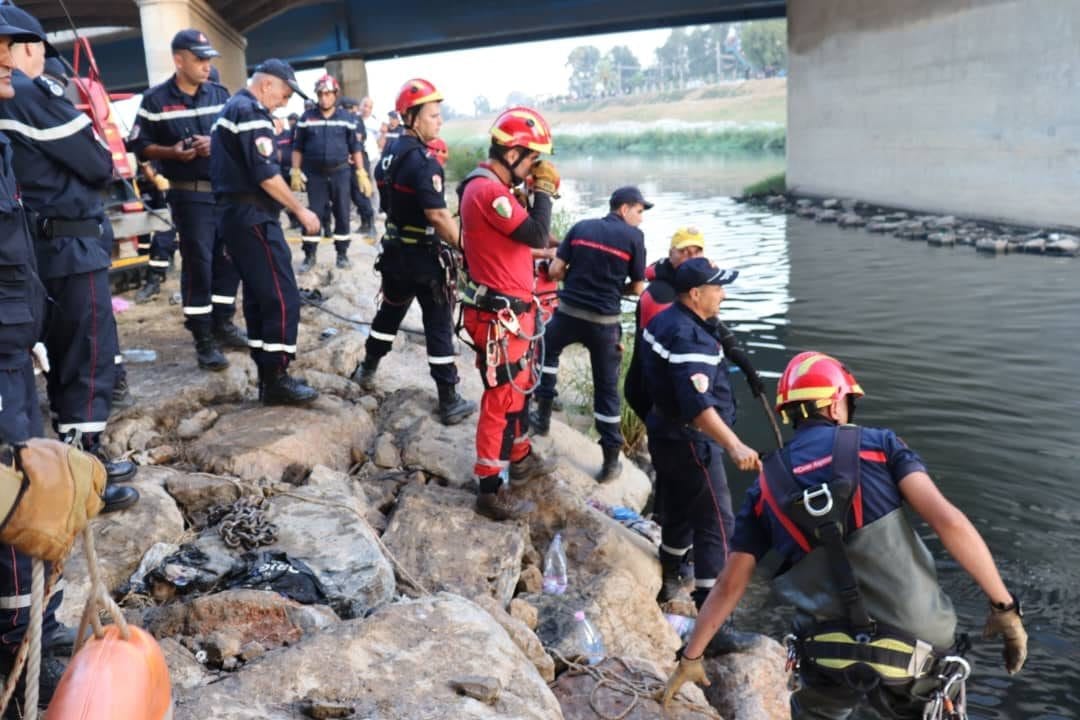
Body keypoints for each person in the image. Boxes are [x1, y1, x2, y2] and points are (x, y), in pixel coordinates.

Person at [659, 351, 1028, 719]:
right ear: (836, 405)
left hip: (827, 652)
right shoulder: (880, 447)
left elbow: (729, 585)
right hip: (916, 653)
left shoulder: (764, 487)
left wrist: (692, 656)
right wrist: (1004, 609)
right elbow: (949, 523)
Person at [0, 4, 139, 512]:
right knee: (85, 355)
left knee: (35, 359)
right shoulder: (35, 94)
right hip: (69, 247)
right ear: (32, 48)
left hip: (27, 250)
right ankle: (85, 470)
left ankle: (64, 468)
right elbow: (97, 163)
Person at [0, 12, 95, 712]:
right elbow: (90, 161)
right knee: (12, 491)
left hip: (10, 344)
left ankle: (33, 627)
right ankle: (23, 638)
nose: (15, 59)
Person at [641, 257, 760, 635]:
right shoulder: (692, 339)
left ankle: (672, 571)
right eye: (717, 288)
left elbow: (638, 383)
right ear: (696, 293)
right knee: (717, 524)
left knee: (677, 503)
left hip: (662, 432)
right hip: (692, 440)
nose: (722, 295)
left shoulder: (663, 319)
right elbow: (698, 407)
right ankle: (717, 623)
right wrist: (735, 445)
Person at [457, 105, 560, 521]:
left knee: (518, 389)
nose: (535, 167)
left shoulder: (497, 190)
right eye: (533, 158)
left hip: (512, 313)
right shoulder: (488, 193)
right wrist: (545, 194)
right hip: (500, 317)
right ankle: (489, 487)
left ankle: (518, 457)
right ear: (514, 153)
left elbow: (531, 238)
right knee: (502, 396)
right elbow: (534, 231)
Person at [351, 79, 474, 425]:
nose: (440, 121)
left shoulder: (389, 153)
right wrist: (466, 247)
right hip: (423, 256)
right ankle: (449, 400)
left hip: (394, 252)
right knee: (437, 323)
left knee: (389, 314)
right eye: (434, 115)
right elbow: (436, 214)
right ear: (413, 117)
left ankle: (367, 368)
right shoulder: (424, 161)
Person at [129, 29, 246, 371]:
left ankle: (223, 323)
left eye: (209, 59)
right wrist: (171, 153)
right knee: (198, 264)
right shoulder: (154, 100)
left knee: (229, 259)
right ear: (179, 60)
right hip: (189, 195)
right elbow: (139, 145)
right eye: (199, 59)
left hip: (225, 194)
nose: (206, 65)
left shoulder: (221, 95)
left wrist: (216, 144)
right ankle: (203, 337)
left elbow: (236, 137)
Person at [210, 59, 321, 405]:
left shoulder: (232, 108)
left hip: (235, 215)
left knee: (259, 296)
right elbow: (265, 174)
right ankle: (277, 377)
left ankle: (267, 375)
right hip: (253, 215)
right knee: (282, 295)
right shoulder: (251, 111)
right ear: (267, 85)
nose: (285, 102)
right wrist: (300, 209)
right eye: (285, 94)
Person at [530, 185, 649, 482]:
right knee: (606, 389)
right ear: (623, 209)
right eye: (639, 211)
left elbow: (555, 271)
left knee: (547, 351)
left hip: (568, 314)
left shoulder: (581, 227)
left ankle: (542, 418)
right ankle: (610, 462)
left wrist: (578, 277)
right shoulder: (635, 238)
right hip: (604, 324)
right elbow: (637, 288)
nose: (641, 218)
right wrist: (611, 287)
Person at [625, 226, 766, 424]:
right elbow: (679, 357)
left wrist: (749, 370)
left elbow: (715, 326)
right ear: (670, 253)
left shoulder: (689, 286)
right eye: (684, 251)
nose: (691, 257)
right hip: (650, 394)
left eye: (697, 251)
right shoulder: (660, 295)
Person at [290, 74, 366, 270]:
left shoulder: (347, 119)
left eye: (328, 94)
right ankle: (310, 255)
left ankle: (342, 254)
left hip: (341, 173)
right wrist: (295, 171)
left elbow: (355, 147)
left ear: (335, 95)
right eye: (321, 94)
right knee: (312, 214)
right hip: (314, 175)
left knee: (342, 212)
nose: (324, 98)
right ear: (316, 95)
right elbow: (297, 147)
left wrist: (361, 172)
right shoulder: (306, 118)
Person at [339, 96, 375, 235]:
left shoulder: (354, 119)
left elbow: (358, 139)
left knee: (361, 192)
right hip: (348, 160)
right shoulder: (344, 119)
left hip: (358, 158)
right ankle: (364, 223)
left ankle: (370, 224)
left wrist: (349, 152)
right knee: (354, 194)